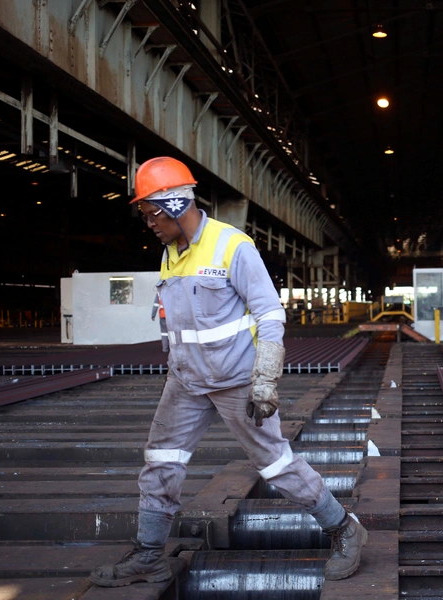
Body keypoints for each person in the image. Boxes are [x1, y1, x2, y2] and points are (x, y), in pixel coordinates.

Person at [90, 157, 366, 587]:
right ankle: (149, 555)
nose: (148, 223)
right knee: (160, 461)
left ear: (177, 205)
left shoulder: (232, 246)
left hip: (238, 382)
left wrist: (265, 379)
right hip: (186, 382)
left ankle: (343, 528)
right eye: (145, 215)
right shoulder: (170, 254)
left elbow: (270, 312)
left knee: (275, 465)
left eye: (151, 214)